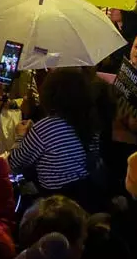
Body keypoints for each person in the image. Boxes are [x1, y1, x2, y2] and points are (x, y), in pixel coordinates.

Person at [7, 67, 102, 206]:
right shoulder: (90, 122)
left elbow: (14, 163)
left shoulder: (45, 127)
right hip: (86, 197)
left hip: (55, 201)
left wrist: (20, 136)